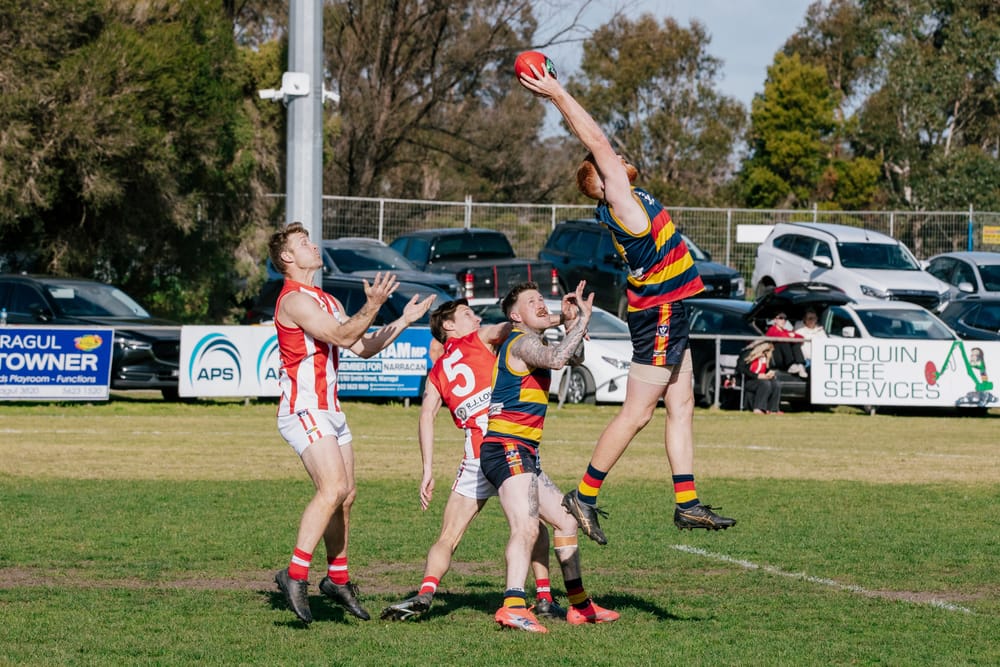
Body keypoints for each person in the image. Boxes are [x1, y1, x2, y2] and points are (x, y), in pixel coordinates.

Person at [517, 62, 736, 545]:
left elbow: (601, 148)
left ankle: (687, 502)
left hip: (670, 308)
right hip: (659, 312)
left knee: (682, 403)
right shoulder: (620, 199)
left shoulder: (628, 196)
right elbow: (594, 139)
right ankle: (585, 495)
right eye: (608, 159)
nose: (614, 153)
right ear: (600, 180)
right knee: (637, 413)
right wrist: (555, 92)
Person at [268, 221, 436, 625]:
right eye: (303, 243)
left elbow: (363, 346)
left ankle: (337, 579)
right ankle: (294, 574)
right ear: (287, 258)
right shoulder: (293, 300)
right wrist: (375, 305)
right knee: (333, 487)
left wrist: (405, 320)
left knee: (347, 495)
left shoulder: (325, 299)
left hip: (331, 410)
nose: (313, 246)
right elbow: (342, 337)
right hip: (303, 407)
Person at [380, 299, 567, 622]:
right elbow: (515, 325)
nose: (475, 317)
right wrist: (563, 317)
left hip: (475, 456)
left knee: (448, 536)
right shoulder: (478, 338)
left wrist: (427, 471)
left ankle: (426, 592)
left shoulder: (437, 373)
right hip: (507, 444)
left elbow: (426, 417)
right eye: (467, 314)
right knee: (533, 523)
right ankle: (544, 598)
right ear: (449, 326)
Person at [481, 280, 619, 633]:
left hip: (523, 450)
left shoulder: (532, 341)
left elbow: (574, 356)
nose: (541, 304)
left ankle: (579, 606)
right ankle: (512, 605)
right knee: (526, 526)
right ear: (515, 315)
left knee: (567, 520)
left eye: (542, 299)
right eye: (532, 301)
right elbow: (559, 359)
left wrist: (573, 322)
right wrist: (579, 321)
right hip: (506, 446)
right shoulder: (522, 340)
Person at [739, 341, 782, 414]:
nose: (767, 353)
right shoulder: (748, 354)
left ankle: (773, 409)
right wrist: (757, 376)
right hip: (750, 380)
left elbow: (765, 370)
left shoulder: (766, 357)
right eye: (766, 351)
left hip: (762, 379)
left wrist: (769, 373)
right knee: (765, 384)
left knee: (776, 384)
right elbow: (741, 368)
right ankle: (758, 408)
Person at [765, 312, 809, 378]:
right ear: (775, 320)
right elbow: (781, 336)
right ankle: (791, 365)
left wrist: (792, 336)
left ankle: (800, 365)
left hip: (786, 358)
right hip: (777, 358)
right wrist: (791, 336)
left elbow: (801, 337)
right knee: (783, 342)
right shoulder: (771, 330)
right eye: (780, 318)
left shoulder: (786, 331)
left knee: (796, 343)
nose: (783, 320)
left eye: (785, 319)